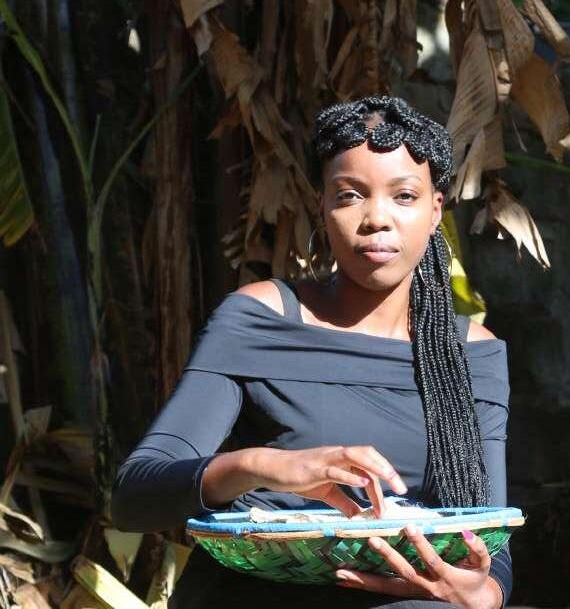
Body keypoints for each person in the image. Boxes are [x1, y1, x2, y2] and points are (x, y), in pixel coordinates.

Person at [111, 96, 512, 608]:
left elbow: (490, 535)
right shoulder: (261, 319)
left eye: (404, 196)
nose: (376, 218)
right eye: (350, 195)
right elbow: (134, 496)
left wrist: (487, 594)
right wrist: (264, 466)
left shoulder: (471, 354)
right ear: (322, 206)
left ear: (435, 210)